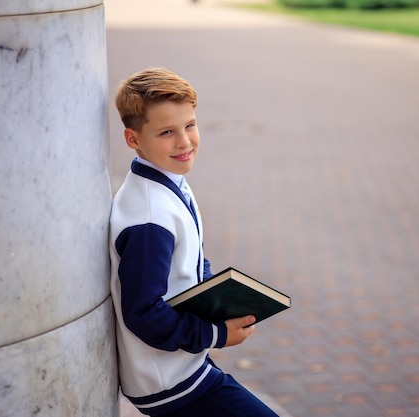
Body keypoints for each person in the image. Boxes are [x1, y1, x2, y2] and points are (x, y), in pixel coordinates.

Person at [110, 68, 278, 417]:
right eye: (167, 132)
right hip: (170, 383)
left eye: (189, 125)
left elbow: (189, 262)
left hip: (184, 364)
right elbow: (143, 314)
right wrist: (215, 334)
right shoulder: (149, 218)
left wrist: (224, 299)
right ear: (133, 139)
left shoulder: (166, 180)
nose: (184, 141)